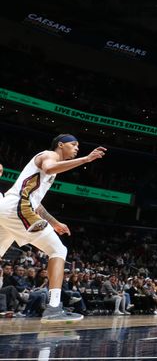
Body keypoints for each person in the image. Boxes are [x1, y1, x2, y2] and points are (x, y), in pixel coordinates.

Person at [0, 134, 105, 322]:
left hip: (8, 209)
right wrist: (87, 159)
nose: (77, 149)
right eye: (74, 145)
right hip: (17, 208)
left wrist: (55, 222)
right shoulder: (49, 156)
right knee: (58, 250)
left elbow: (37, 204)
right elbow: (48, 168)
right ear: (60, 145)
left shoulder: (47, 169)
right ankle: (54, 307)